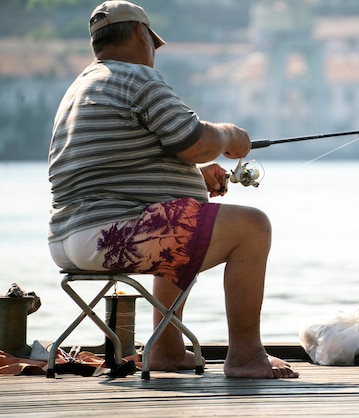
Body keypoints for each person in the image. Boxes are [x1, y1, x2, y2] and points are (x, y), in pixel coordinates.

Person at [47, 0, 298, 379]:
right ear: (139, 34)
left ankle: (166, 350)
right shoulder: (136, 78)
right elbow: (195, 141)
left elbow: (119, 168)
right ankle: (246, 357)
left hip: (69, 238)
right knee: (253, 227)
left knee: (183, 217)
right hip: (113, 235)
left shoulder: (81, 87)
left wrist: (194, 178)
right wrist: (230, 135)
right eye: (152, 42)